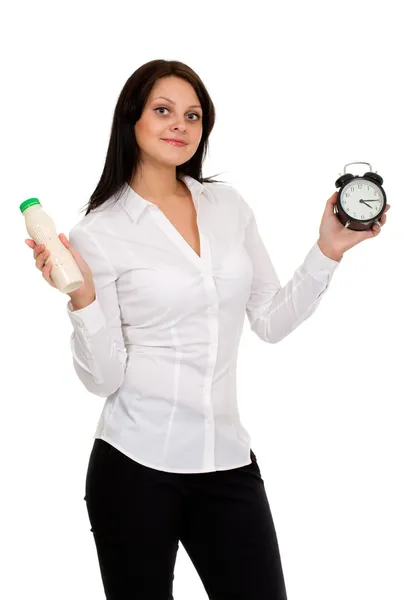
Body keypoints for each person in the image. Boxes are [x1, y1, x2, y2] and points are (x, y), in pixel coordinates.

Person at [25, 59, 389, 600]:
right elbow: (104, 377)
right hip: (133, 466)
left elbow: (269, 321)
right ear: (131, 120)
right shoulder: (99, 231)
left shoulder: (228, 206)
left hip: (226, 462)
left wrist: (329, 250)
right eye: (163, 110)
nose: (181, 125)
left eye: (193, 115)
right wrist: (82, 297)